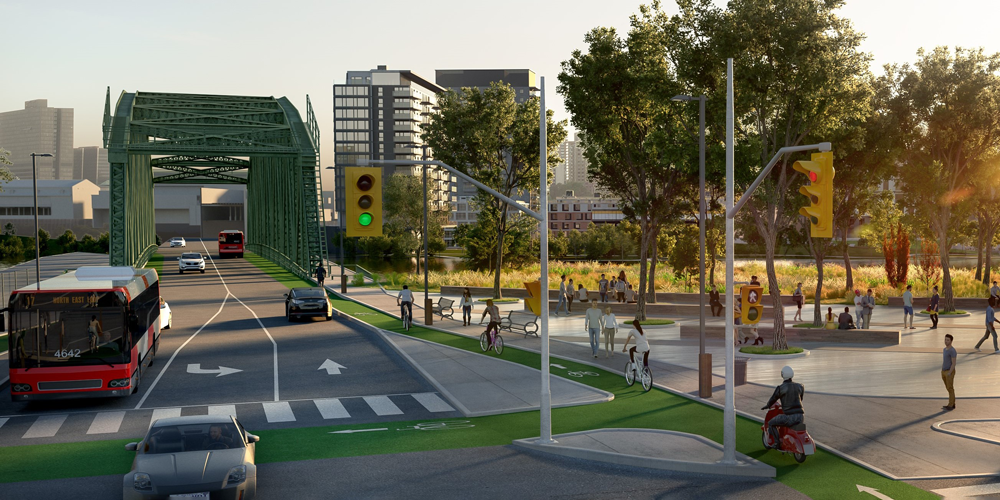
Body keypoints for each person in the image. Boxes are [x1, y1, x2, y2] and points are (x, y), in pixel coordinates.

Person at [761, 366, 805, 449]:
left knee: (771, 423)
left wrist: (767, 406)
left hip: (788, 417)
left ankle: (777, 443)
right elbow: (801, 399)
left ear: (782, 375)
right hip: (800, 416)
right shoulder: (800, 386)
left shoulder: (781, 388)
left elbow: (773, 399)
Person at [941, 333, 957, 411]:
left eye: (948, 340)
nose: (946, 341)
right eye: (945, 340)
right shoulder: (944, 349)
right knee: (948, 388)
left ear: (951, 341)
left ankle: (951, 404)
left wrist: (949, 372)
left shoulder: (952, 351)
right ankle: (952, 402)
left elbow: (953, 363)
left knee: (950, 388)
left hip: (949, 372)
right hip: (943, 371)